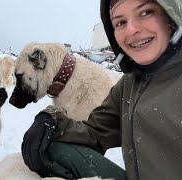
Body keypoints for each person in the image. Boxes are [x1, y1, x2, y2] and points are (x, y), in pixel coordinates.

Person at [21, 0, 182, 179]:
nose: (131, 30)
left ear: (170, 15)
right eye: (120, 22)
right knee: (52, 149)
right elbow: (95, 132)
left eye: (145, 12)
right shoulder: (129, 84)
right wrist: (51, 119)